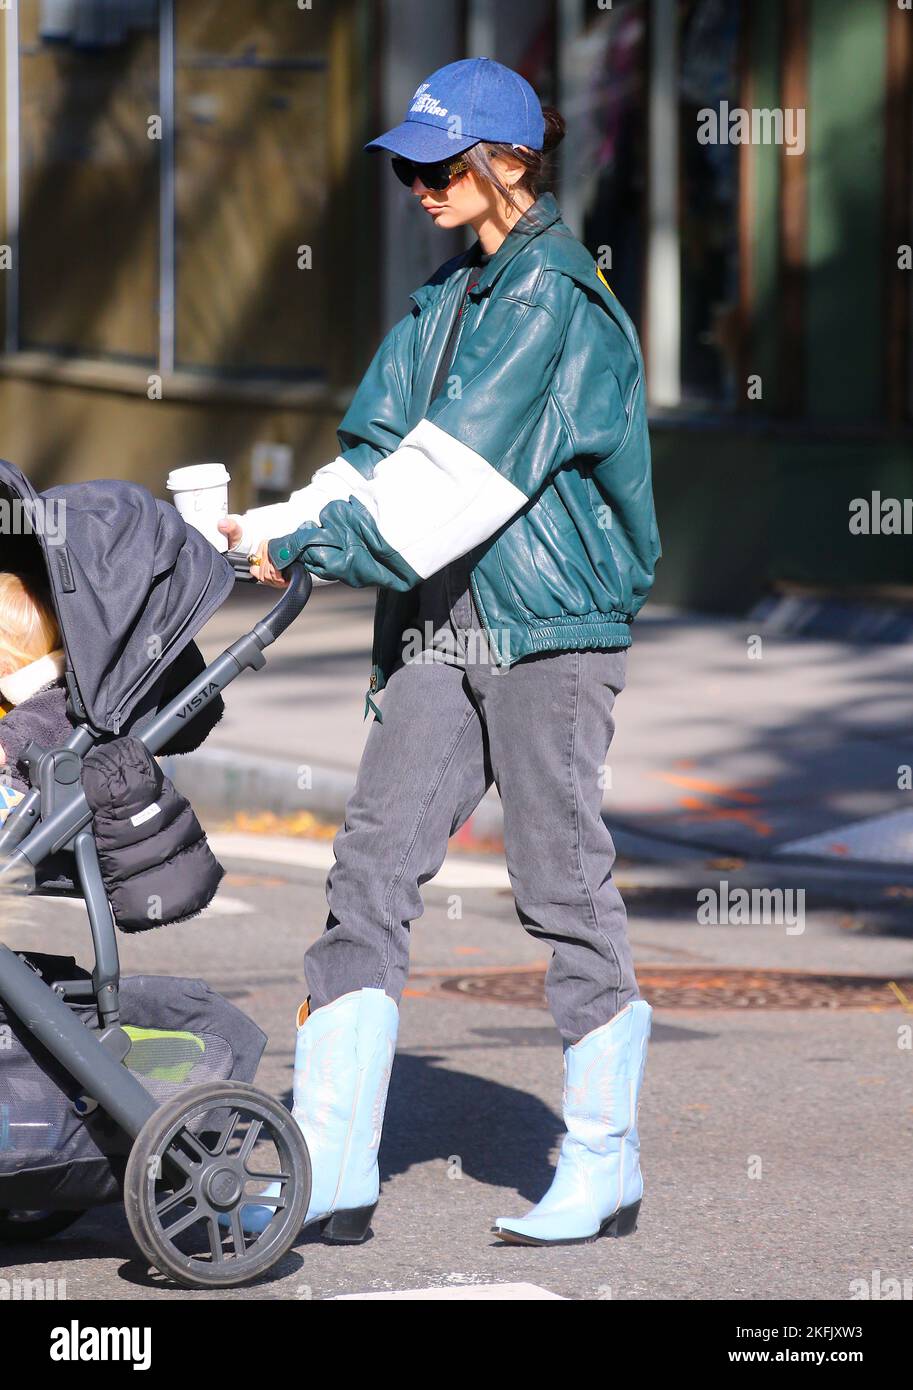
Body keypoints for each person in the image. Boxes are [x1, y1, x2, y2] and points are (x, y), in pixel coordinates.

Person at [219, 56, 661, 1247]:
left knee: (559, 886)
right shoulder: (444, 300)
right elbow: (372, 458)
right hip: (436, 625)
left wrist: (314, 540)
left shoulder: (552, 302)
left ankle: (603, 1161)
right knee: (367, 872)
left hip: (546, 630)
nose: (416, 182)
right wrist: (258, 527)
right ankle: (334, 1161)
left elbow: (441, 491)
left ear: (507, 162)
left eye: (437, 162)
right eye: (407, 163)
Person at [0, 571, 70, 822]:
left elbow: (14, 741)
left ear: (6, 664)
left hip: (16, 797)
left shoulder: (48, 702)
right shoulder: (9, 696)